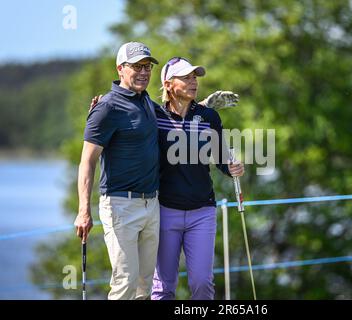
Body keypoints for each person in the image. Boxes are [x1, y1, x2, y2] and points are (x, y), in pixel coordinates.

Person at [74, 41, 239, 300]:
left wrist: (206, 107)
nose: (143, 72)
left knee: (147, 287)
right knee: (133, 284)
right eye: (136, 66)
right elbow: (88, 160)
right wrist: (83, 210)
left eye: (146, 67)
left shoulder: (148, 105)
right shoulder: (126, 109)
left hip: (157, 206)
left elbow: (186, 122)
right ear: (120, 69)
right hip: (134, 205)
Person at [150, 57, 244, 300]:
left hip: (202, 211)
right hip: (164, 211)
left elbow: (221, 157)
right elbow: (125, 106)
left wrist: (230, 167)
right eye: (186, 78)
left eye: (195, 77)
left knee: (202, 283)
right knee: (163, 287)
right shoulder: (154, 115)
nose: (193, 82)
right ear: (169, 85)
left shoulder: (208, 116)